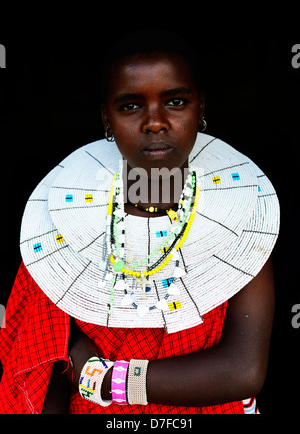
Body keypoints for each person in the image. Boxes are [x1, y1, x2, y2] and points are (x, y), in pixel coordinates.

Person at [0, 29, 280, 414]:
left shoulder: (241, 217)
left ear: (201, 110)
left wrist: (102, 378)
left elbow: (243, 370)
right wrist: (74, 350)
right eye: (131, 106)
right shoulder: (59, 225)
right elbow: (40, 361)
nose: (154, 122)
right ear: (106, 119)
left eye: (176, 101)